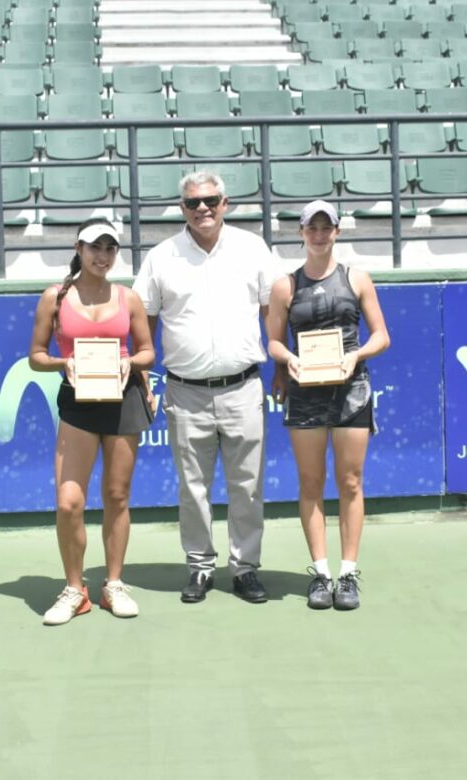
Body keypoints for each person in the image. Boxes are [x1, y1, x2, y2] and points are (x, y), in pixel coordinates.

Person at [133, 170, 281, 604]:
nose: (203, 209)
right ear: (182, 208)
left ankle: (245, 568)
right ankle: (200, 568)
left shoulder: (252, 248)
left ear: (225, 203)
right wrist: (144, 374)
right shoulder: (162, 256)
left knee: (248, 485)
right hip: (185, 391)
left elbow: (274, 306)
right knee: (192, 488)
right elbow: (145, 317)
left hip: (243, 388)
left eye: (211, 201)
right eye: (194, 202)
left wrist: (282, 362)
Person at [29, 218, 155, 626]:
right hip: (78, 405)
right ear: (78, 248)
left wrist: (128, 362)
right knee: (69, 502)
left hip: (124, 401)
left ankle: (113, 584)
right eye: (94, 247)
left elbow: (148, 352)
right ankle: (73, 589)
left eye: (109, 248)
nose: (102, 256)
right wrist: (64, 362)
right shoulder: (54, 297)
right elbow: (36, 355)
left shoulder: (129, 297)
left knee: (117, 497)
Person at [265, 200, 390, 611]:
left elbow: (380, 336)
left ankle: (348, 572)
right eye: (311, 228)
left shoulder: (358, 278)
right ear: (301, 232)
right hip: (305, 393)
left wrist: (356, 356)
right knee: (311, 483)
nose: (319, 234)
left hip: (352, 389)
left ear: (337, 231)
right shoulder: (285, 286)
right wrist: (289, 359)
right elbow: (274, 341)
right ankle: (320, 573)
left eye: (326, 227)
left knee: (351, 481)